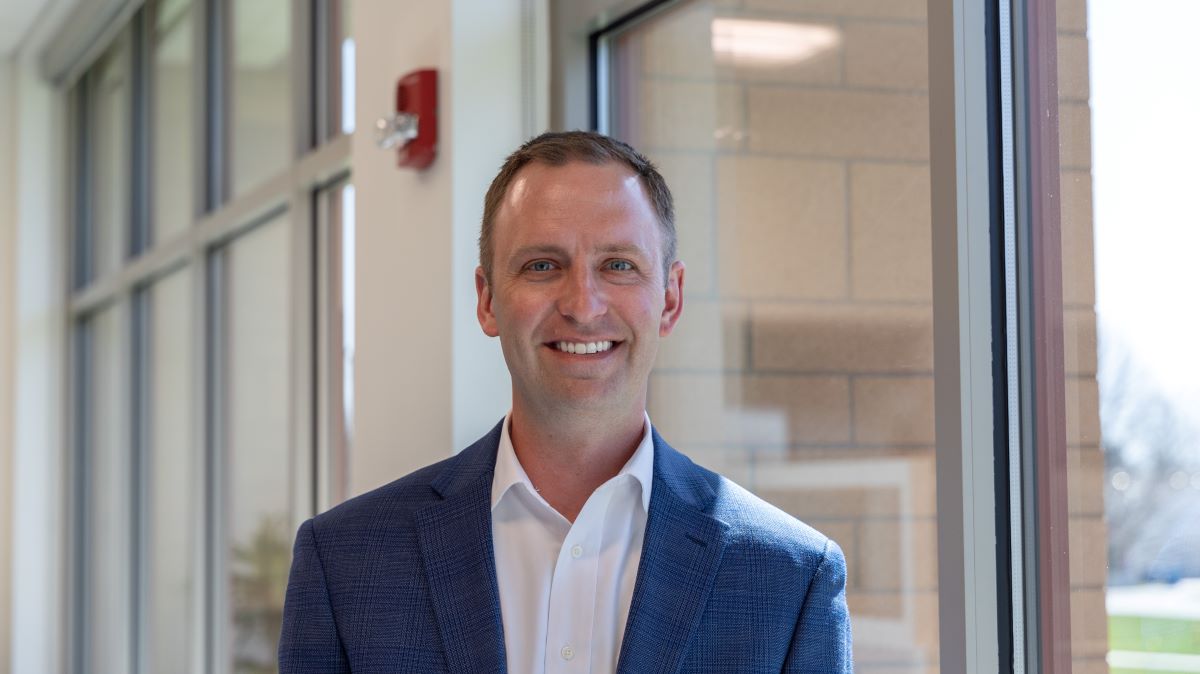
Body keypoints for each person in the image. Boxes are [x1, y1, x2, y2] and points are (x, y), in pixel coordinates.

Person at [278, 131, 852, 673]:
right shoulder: (346, 562)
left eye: (619, 265)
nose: (583, 304)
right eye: (542, 266)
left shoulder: (788, 579)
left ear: (670, 300)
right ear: (487, 301)